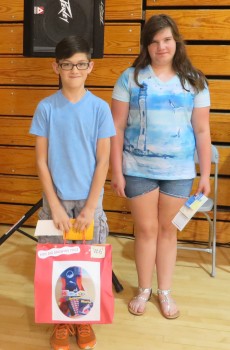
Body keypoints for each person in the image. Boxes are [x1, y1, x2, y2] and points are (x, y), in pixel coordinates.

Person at [110, 14, 211, 319]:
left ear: (176, 42)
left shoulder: (195, 80)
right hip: (137, 168)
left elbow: (202, 131)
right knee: (145, 230)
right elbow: (116, 127)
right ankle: (144, 289)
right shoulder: (130, 78)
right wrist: (116, 171)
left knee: (168, 231)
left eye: (166, 40)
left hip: (179, 172)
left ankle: (164, 292)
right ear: (146, 46)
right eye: (153, 41)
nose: (161, 46)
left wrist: (204, 173)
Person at [30, 36, 115, 350]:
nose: (74, 70)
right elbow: (41, 160)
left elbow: (103, 159)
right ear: (57, 67)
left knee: (87, 265)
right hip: (57, 204)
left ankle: (84, 320)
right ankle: (61, 321)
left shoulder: (100, 109)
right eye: (67, 64)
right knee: (58, 265)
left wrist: (90, 207)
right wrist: (55, 207)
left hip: (89, 206)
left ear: (90, 67)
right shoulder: (46, 108)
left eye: (81, 64)